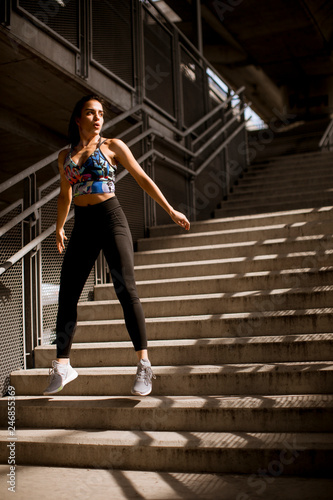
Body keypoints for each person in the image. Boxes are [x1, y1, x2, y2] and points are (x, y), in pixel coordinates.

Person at [43, 94, 190, 397]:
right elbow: (64, 195)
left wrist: (170, 210)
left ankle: (144, 364)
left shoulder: (112, 146)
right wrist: (59, 227)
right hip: (83, 224)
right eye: (90, 112)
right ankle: (62, 364)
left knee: (126, 289)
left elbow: (141, 177)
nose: (97, 118)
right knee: (68, 293)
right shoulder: (65, 156)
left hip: (111, 219)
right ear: (77, 118)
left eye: (100, 113)